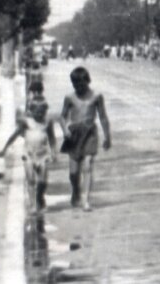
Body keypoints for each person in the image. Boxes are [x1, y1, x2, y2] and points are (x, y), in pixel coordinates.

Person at [0, 82, 57, 213]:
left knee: (42, 181)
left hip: (43, 155)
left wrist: (54, 152)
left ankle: (39, 197)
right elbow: (14, 135)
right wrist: (5, 149)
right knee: (31, 180)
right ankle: (32, 204)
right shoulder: (26, 122)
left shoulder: (47, 122)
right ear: (31, 111)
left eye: (42, 113)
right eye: (37, 112)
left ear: (45, 112)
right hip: (29, 154)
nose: (39, 115)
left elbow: (52, 138)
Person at [60, 66, 111, 211]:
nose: (78, 87)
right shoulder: (69, 98)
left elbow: (103, 117)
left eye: (81, 83)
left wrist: (107, 136)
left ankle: (86, 200)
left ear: (87, 81)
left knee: (88, 165)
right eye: (75, 84)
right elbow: (62, 117)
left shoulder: (96, 97)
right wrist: (64, 130)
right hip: (74, 135)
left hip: (90, 134)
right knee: (73, 173)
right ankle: (75, 190)